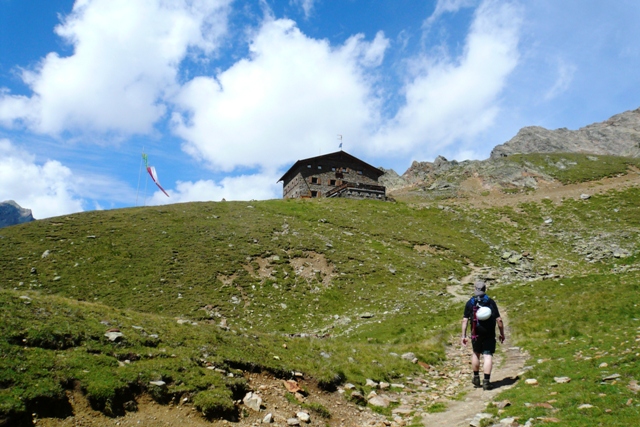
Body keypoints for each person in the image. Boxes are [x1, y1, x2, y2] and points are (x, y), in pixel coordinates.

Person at [461, 281, 505, 390]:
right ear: (485, 289)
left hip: (475, 332)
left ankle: (476, 378)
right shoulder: (490, 302)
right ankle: (486, 381)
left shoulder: (470, 302)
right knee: (487, 355)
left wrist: (463, 336)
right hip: (489, 332)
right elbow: (499, 320)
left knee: (476, 353)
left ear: (475, 289)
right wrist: (502, 333)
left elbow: (465, 320)